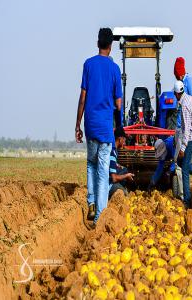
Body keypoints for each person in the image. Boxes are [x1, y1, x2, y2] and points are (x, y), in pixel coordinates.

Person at [75, 28, 122, 224]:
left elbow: (83, 97)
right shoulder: (114, 69)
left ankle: (91, 203)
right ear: (110, 46)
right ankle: (100, 216)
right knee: (103, 170)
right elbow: (119, 104)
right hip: (105, 128)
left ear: (98, 44)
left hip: (91, 125)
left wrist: (78, 124)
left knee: (91, 164)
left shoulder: (88, 65)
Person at [174, 80, 192, 208]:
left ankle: (187, 201)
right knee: (180, 162)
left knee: (184, 168)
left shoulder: (184, 104)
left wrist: (183, 147)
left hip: (190, 139)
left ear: (176, 93)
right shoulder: (190, 99)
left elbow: (186, 127)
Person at [109, 127, 135, 198]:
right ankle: (115, 190)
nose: (125, 141)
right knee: (124, 195)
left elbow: (110, 162)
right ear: (120, 139)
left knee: (124, 169)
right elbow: (114, 178)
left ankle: (120, 186)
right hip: (108, 184)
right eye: (124, 139)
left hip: (107, 179)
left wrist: (117, 165)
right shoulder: (112, 152)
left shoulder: (112, 148)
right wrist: (127, 175)